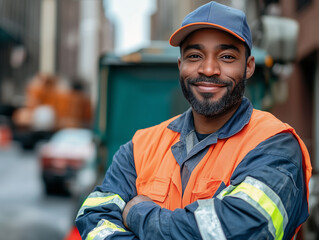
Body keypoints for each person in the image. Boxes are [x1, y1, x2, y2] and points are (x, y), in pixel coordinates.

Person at [75, 2, 312, 239]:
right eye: (195, 55)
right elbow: (94, 217)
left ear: (248, 67)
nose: (208, 69)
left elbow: (240, 231)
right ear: (181, 66)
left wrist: (137, 212)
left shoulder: (275, 145)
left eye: (227, 56)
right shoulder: (140, 146)